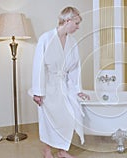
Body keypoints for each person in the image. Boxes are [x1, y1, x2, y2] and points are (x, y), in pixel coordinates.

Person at [29, 6, 89, 158]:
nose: (78, 27)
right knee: (49, 119)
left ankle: (62, 151)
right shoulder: (46, 38)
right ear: (67, 20)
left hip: (64, 86)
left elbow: (75, 68)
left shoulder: (72, 42)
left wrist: (77, 89)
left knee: (68, 117)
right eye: (76, 23)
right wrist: (38, 92)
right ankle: (47, 150)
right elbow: (38, 66)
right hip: (48, 86)